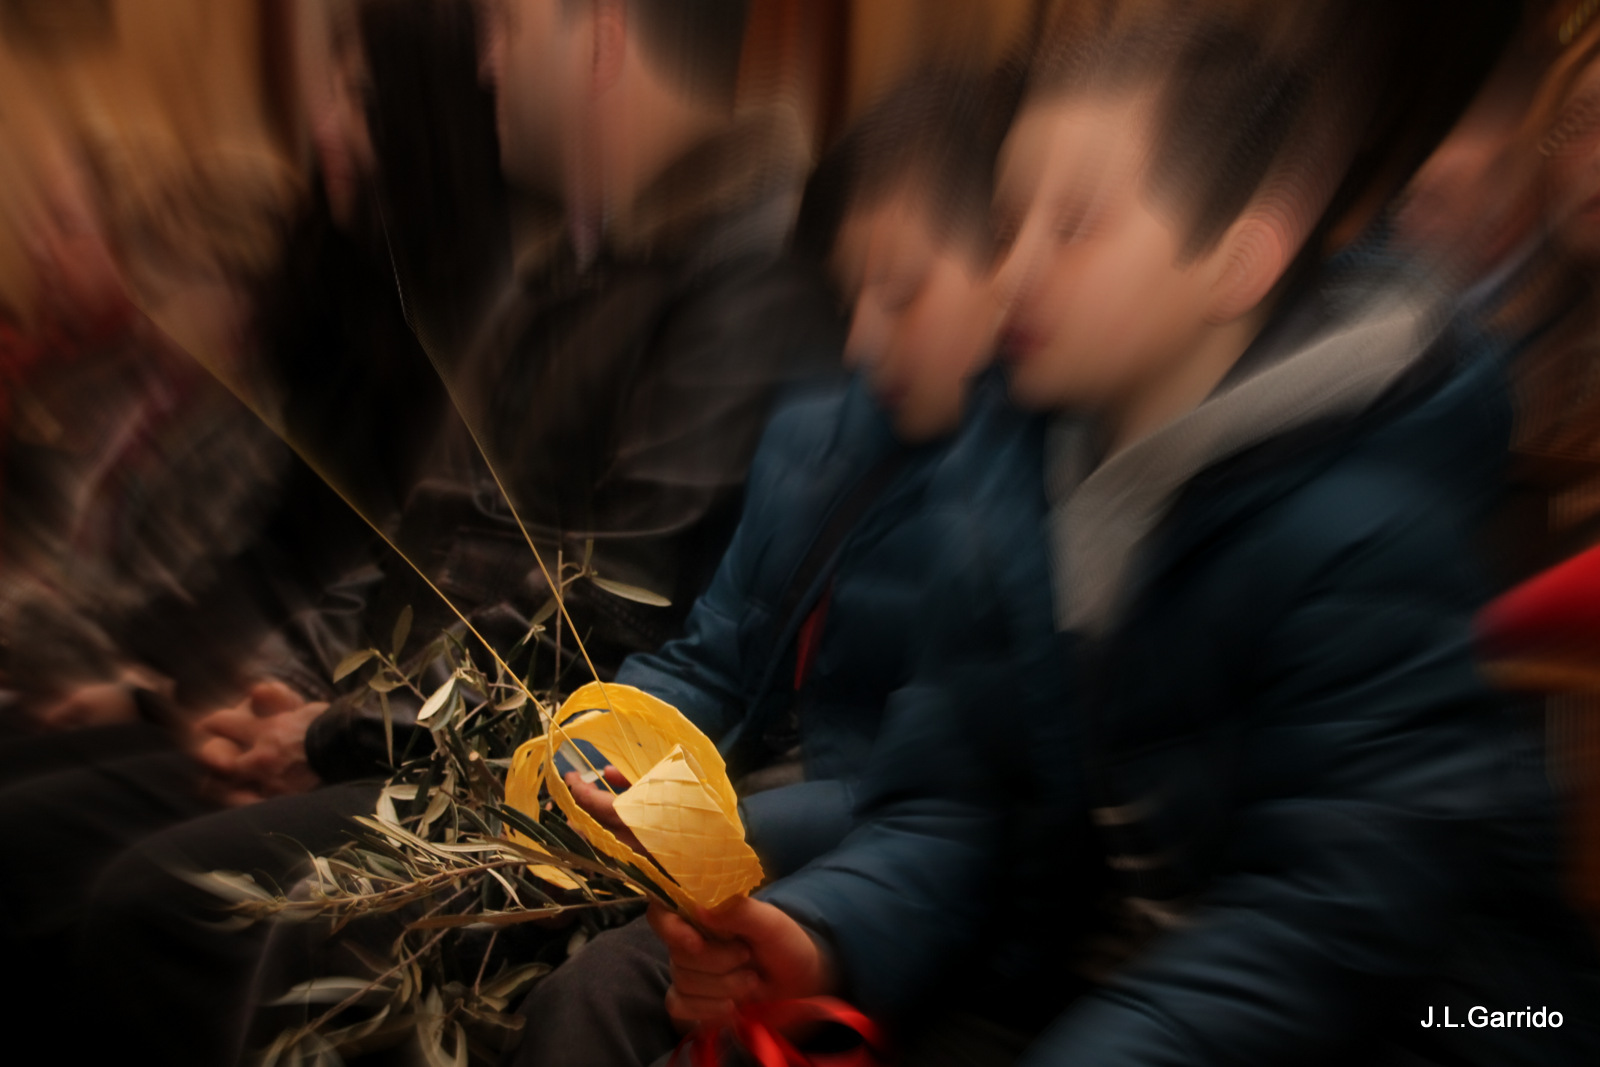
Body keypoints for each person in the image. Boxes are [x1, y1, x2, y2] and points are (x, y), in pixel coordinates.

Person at [647, 6, 1600, 1066]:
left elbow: (1330, 914)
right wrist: (827, 934)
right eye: (1007, 224)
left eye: (1075, 225)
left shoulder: (1361, 514)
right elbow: (956, 808)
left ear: (1237, 260)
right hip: (1132, 990)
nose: (1012, 273)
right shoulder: (1012, 466)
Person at [50, 0, 838, 1063]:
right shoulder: (568, 271)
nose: (486, 61)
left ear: (600, 39)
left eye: (510, 25)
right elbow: (411, 539)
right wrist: (282, 695)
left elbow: (608, 624)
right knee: (62, 826)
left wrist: (334, 730)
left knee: (155, 908)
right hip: (391, 723)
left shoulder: (748, 287)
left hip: (530, 780)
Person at [501, 70, 1090, 1067]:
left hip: (830, 871)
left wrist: (694, 821)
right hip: (735, 833)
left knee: (595, 997)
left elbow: (924, 796)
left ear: (1009, 268)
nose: (860, 340)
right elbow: (711, 656)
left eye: (899, 294)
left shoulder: (1021, 505)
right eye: (849, 296)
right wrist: (600, 747)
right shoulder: (817, 438)